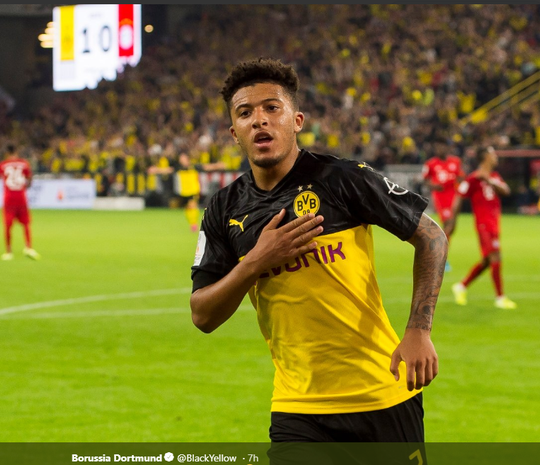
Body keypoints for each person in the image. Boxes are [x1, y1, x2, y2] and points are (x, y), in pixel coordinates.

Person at [189, 58, 448, 446]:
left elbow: (431, 237)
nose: (259, 120)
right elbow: (202, 314)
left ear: (296, 120)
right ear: (233, 133)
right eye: (245, 113)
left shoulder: (343, 179)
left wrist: (418, 330)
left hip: (381, 395)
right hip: (297, 409)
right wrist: (257, 261)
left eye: (271, 108)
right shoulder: (223, 210)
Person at [444, 146, 517, 309]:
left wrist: (489, 180)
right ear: (485, 157)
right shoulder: (473, 179)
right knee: (496, 256)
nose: (496, 157)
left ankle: (461, 286)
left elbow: (506, 191)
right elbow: (458, 198)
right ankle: (500, 298)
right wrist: (452, 221)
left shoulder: (494, 176)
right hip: (483, 224)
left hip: (494, 224)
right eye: (493, 154)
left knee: (487, 261)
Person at [148, 152, 224, 232]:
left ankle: (195, 224)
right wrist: (156, 170)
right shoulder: (178, 168)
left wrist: (217, 165)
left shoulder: (193, 167)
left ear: (187, 159)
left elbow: (206, 167)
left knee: (192, 206)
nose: (182, 160)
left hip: (193, 191)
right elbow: (168, 170)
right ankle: (192, 223)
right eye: (181, 159)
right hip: (184, 192)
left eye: (183, 158)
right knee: (187, 209)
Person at [422, 135, 465, 271]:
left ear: (447, 147)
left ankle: (438, 252)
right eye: (437, 146)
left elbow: (461, 176)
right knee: (448, 224)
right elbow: (425, 180)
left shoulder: (456, 162)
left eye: (442, 146)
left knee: (452, 227)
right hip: (441, 197)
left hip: (454, 196)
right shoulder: (431, 164)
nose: (440, 148)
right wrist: (433, 186)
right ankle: (440, 257)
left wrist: (461, 183)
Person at [0, 144, 40, 261]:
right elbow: (30, 178)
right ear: (17, 151)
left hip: (9, 198)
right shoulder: (24, 163)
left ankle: (8, 252)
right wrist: (27, 185)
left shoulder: (3, 164)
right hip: (21, 197)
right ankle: (28, 247)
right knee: (26, 224)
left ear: (7, 153)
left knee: (8, 226)